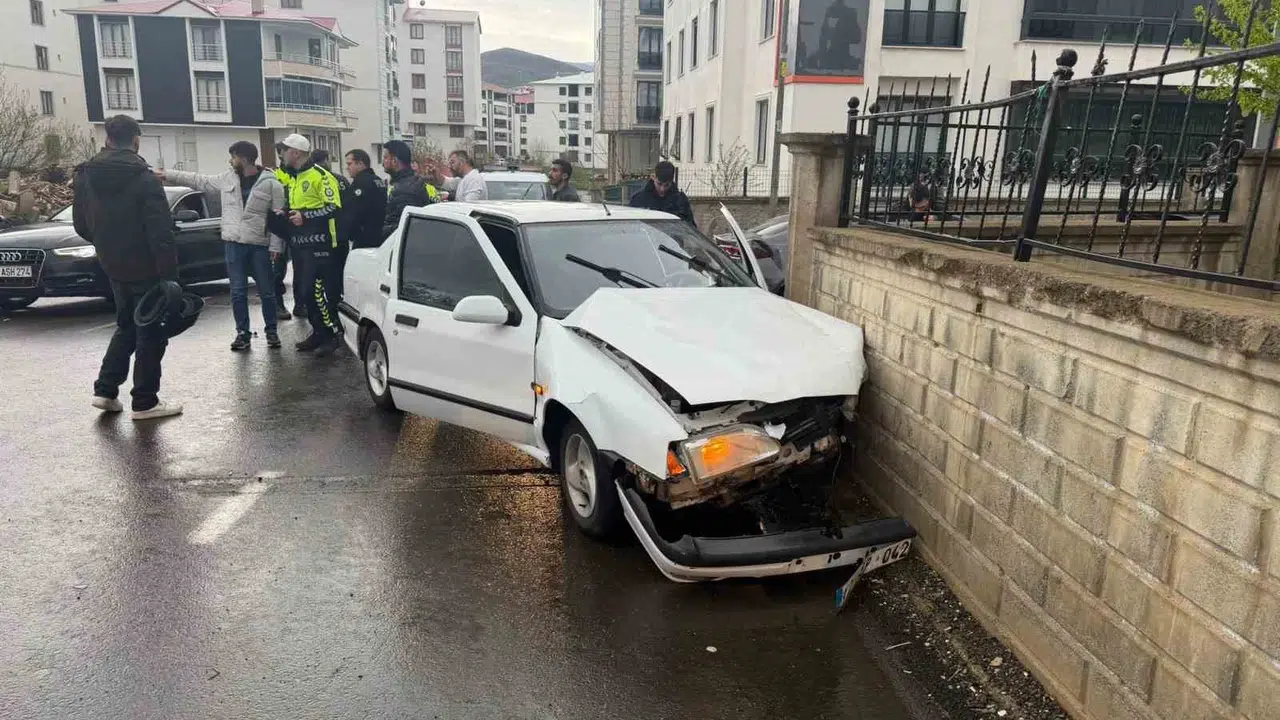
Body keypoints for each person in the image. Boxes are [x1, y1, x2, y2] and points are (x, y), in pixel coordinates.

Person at [73, 114, 182, 420]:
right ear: (136, 141)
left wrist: (106, 245)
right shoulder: (145, 179)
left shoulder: (85, 176)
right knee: (151, 332)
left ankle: (106, 391)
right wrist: (169, 277)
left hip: (113, 265)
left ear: (107, 139)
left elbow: (81, 224)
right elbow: (160, 233)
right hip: (147, 267)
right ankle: (145, 401)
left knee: (126, 326)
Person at [158, 141, 286, 352]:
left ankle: (271, 331)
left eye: (233, 157)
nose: (230, 161)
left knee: (267, 291)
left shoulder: (271, 183)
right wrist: (167, 175)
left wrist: (276, 246)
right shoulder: (227, 178)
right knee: (237, 291)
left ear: (243, 158)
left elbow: (278, 216)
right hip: (234, 244)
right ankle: (242, 334)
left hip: (259, 246)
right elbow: (198, 180)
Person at [267, 134, 343, 357]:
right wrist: (286, 210)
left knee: (316, 291)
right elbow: (299, 205)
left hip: (321, 245)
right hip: (300, 245)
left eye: (284, 150)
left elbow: (334, 207)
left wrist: (305, 217)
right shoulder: (296, 177)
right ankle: (318, 331)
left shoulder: (322, 176)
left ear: (296, 153)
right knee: (303, 292)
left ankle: (331, 335)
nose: (281, 155)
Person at [310, 149, 350, 312]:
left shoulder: (310, 179)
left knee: (321, 278)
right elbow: (349, 206)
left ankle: (326, 310)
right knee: (340, 273)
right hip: (339, 235)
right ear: (326, 160)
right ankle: (338, 307)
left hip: (318, 238)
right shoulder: (339, 180)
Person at [381, 139, 439, 237]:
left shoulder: (404, 190)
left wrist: (378, 231)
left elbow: (404, 227)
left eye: (385, 158)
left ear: (394, 161)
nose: (383, 162)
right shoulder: (409, 182)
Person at [269, 141, 300, 321]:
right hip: (280, 227)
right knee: (278, 268)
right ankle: (278, 303)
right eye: (282, 152)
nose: (284, 155)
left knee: (300, 268)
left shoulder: (300, 173)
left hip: (297, 225)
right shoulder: (275, 175)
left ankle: (300, 303)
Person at [344, 149, 389, 249]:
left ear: (360, 164)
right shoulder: (379, 180)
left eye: (349, 164)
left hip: (364, 239)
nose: (347, 168)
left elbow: (353, 212)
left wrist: (350, 234)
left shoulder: (360, 183)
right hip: (381, 236)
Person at [629, 160, 696, 226]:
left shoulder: (681, 201)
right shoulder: (639, 199)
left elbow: (690, 228)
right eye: (659, 184)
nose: (662, 189)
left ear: (672, 181)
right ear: (653, 177)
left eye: (667, 185)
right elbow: (631, 226)